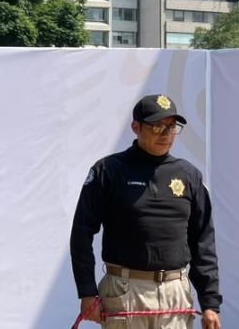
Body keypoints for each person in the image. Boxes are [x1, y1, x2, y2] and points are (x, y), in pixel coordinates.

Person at [70, 94, 221, 329]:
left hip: (175, 292)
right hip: (124, 290)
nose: (166, 134)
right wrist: (87, 292)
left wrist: (210, 303)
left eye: (172, 127)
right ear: (136, 127)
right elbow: (81, 233)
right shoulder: (108, 171)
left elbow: (203, 242)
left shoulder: (189, 175)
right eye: (158, 126)